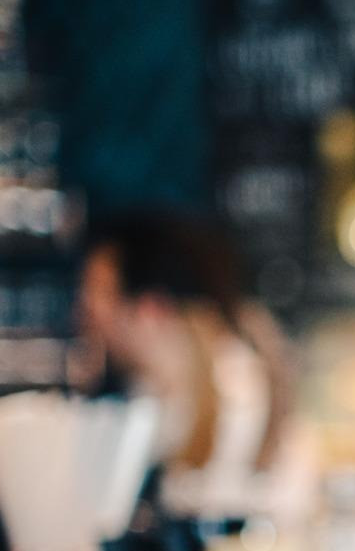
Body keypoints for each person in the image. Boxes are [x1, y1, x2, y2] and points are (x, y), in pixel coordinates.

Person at [75, 209, 313, 527]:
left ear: (150, 309)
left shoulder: (235, 391)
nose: (84, 310)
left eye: (100, 291)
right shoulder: (153, 392)